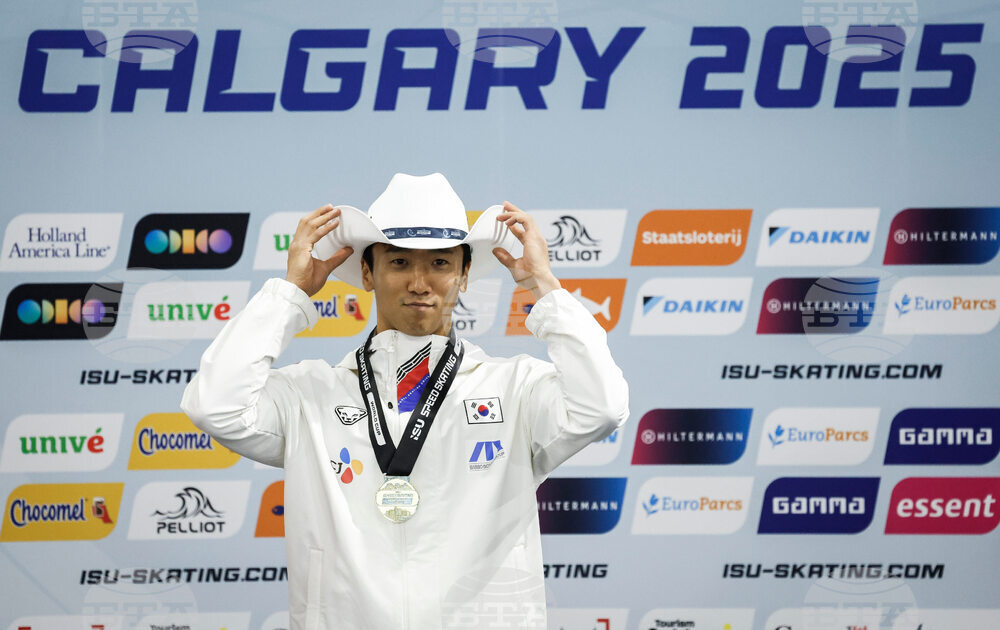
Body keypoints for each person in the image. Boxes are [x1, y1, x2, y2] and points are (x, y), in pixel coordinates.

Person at [180, 173, 629, 630]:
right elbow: (215, 406)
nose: (419, 283)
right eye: (398, 262)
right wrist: (288, 295)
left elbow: (602, 407)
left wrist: (544, 286)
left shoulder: (514, 387)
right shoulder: (309, 395)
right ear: (369, 274)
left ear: (464, 274)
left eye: (439, 262)